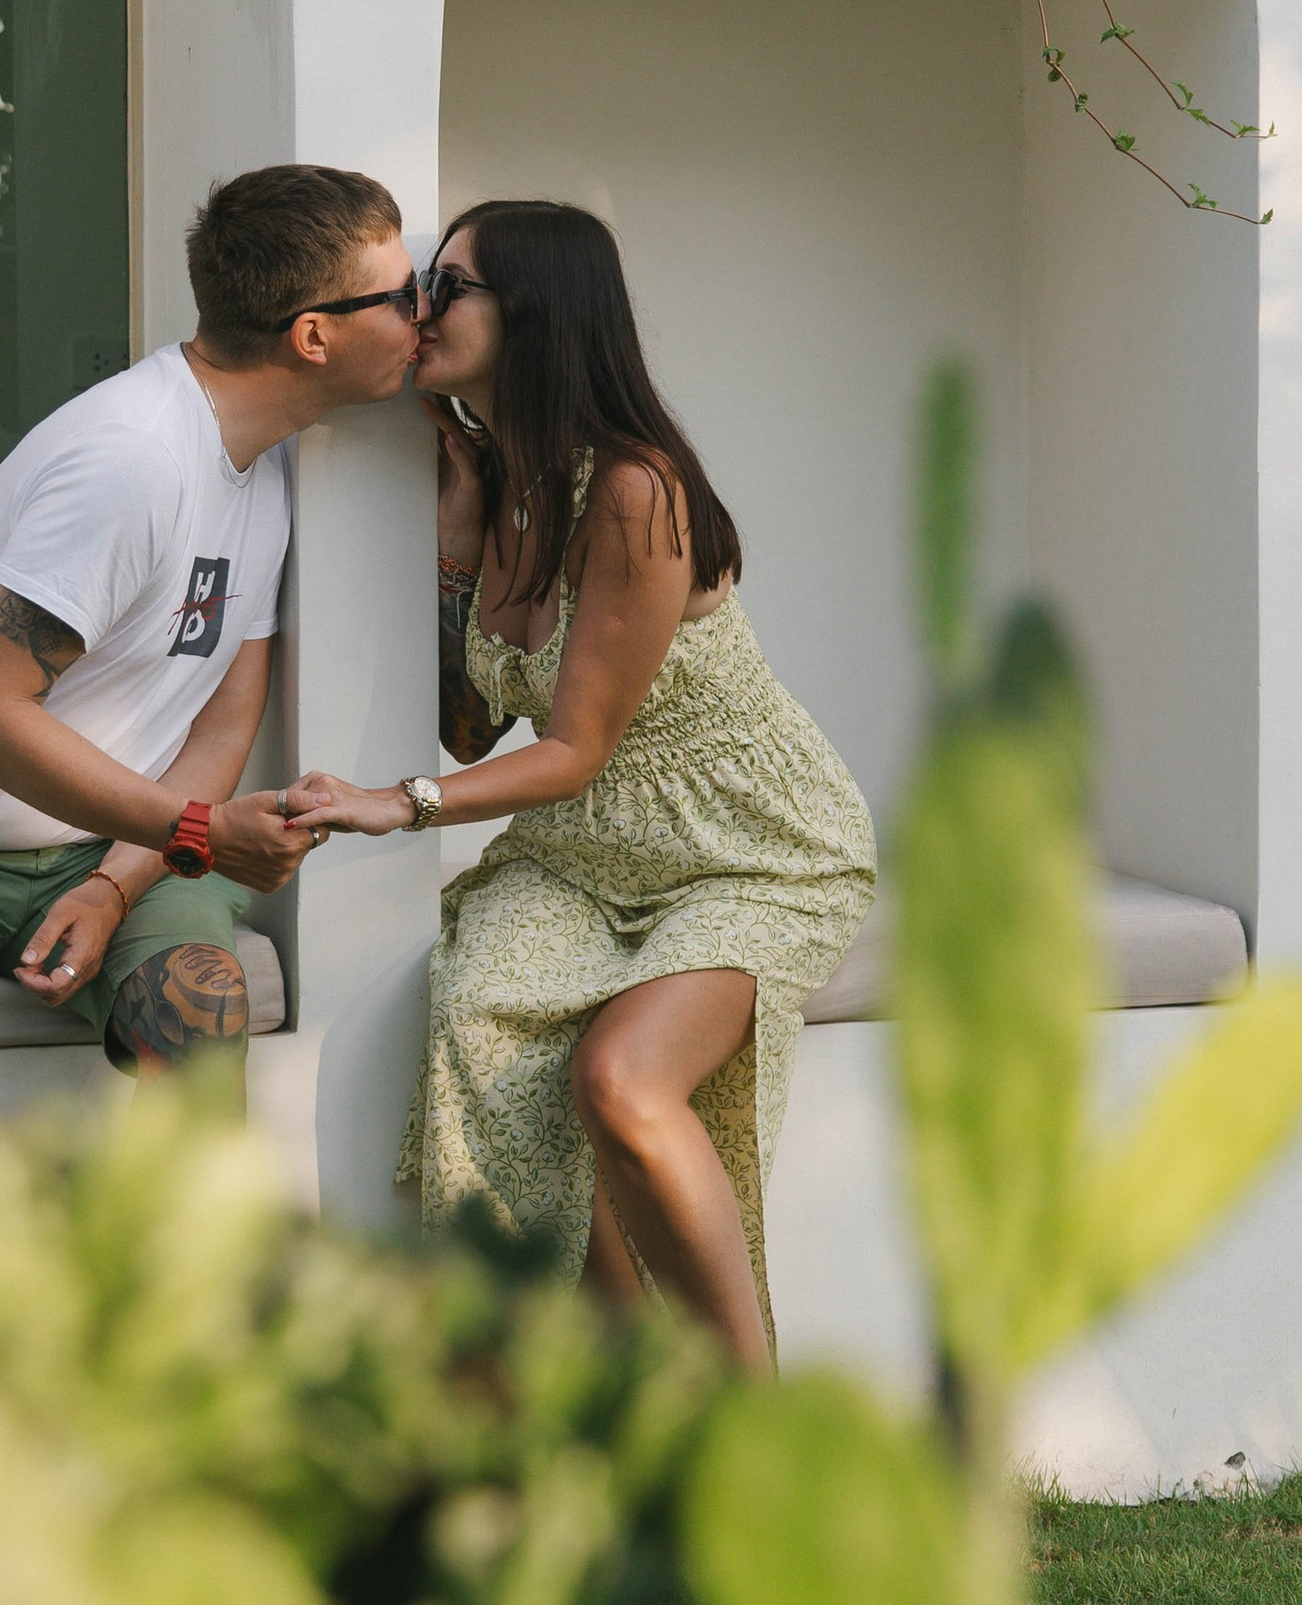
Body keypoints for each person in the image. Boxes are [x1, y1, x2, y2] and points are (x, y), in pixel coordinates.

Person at [284, 199, 874, 1367]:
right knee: (482, 1038)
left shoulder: (636, 488)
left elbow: (573, 747)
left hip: (745, 849)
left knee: (618, 1079)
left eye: (448, 287)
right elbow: (471, 730)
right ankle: (632, 1405)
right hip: (579, 855)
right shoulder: (499, 479)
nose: (420, 308)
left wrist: (382, 804)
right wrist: (457, 538)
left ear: (538, 315)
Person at [0, 162, 421, 1153]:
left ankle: (181, 1304)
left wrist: (116, 883)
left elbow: (217, 717)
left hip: (108, 848)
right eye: (404, 296)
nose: (422, 316)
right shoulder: (132, 458)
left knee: (201, 1018)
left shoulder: (273, 461)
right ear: (313, 336)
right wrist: (201, 827)